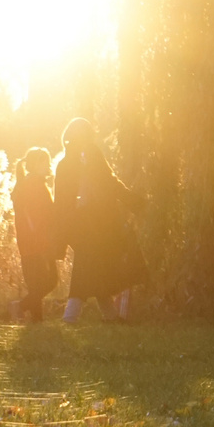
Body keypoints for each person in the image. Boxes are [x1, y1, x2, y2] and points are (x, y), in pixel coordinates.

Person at [54, 117, 147, 323]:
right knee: (86, 264)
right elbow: (62, 201)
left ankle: (109, 315)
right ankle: (71, 314)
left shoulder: (91, 157)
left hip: (98, 222)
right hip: (81, 224)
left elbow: (109, 181)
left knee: (94, 265)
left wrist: (133, 201)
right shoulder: (66, 164)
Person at [10, 147, 59, 323]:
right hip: (36, 241)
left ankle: (34, 319)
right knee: (49, 281)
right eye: (44, 161)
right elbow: (39, 214)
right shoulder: (32, 185)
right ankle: (21, 308)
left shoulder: (33, 183)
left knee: (38, 284)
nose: (48, 164)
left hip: (32, 241)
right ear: (36, 164)